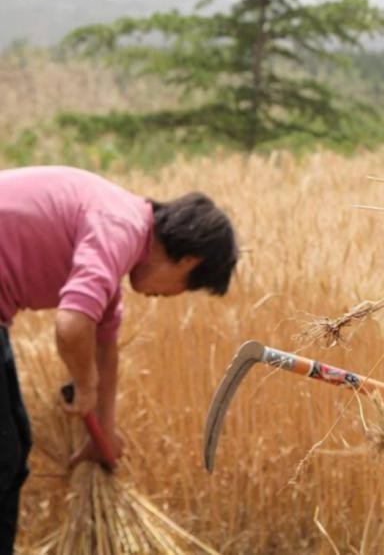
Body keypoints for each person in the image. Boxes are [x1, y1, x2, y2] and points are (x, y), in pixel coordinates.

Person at [0, 165, 238, 553]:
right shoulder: (119, 227)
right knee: (3, 457)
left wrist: (104, 434)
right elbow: (73, 325)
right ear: (188, 262)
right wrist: (85, 384)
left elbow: (104, 349)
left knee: (11, 450)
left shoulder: (120, 234)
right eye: (184, 288)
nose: (169, 296)